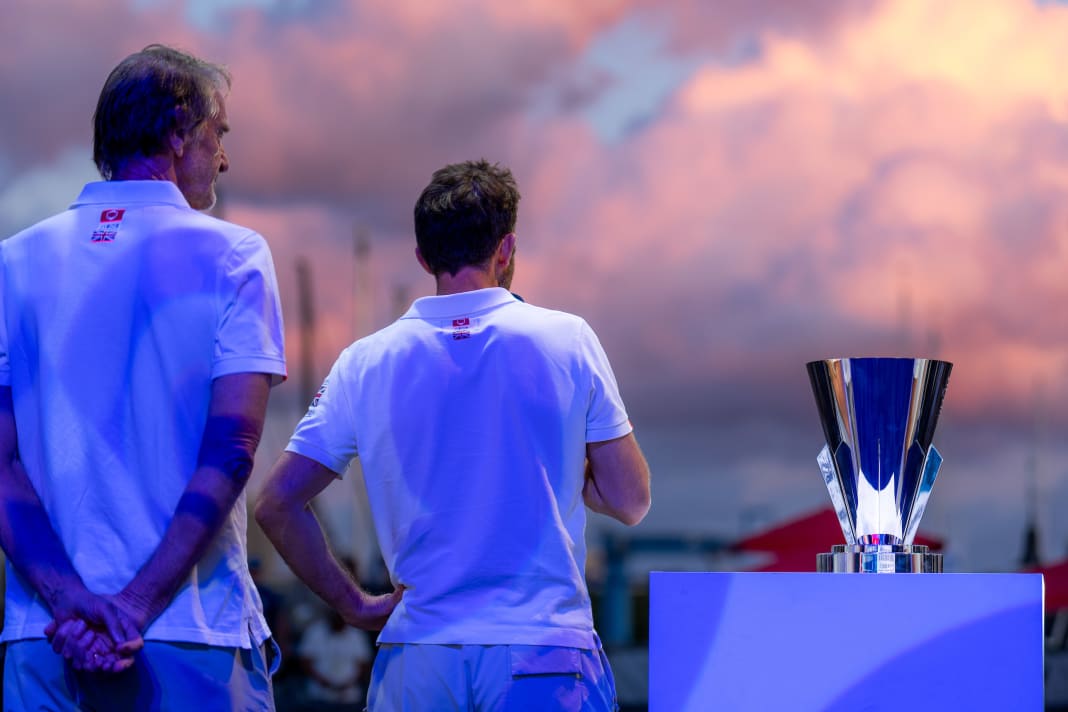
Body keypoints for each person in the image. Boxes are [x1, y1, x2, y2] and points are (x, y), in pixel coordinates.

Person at [255, 159, 651, 711]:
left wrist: (353, 605)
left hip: (417, 658)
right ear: (506, 248)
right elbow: (631, 499)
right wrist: (564, 467)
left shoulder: (365, 362)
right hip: (542, 648)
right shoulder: (567, 340)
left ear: (423, 256)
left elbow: (276, 504)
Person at [0, 44, 286, 709]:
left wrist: (72, 602)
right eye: (218, 135)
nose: (223, 157)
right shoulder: (233, 254)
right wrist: (131, 607)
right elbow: (233, 449)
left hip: (45, 636)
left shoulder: (14, 262)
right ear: (177, 131)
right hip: (189, 633)